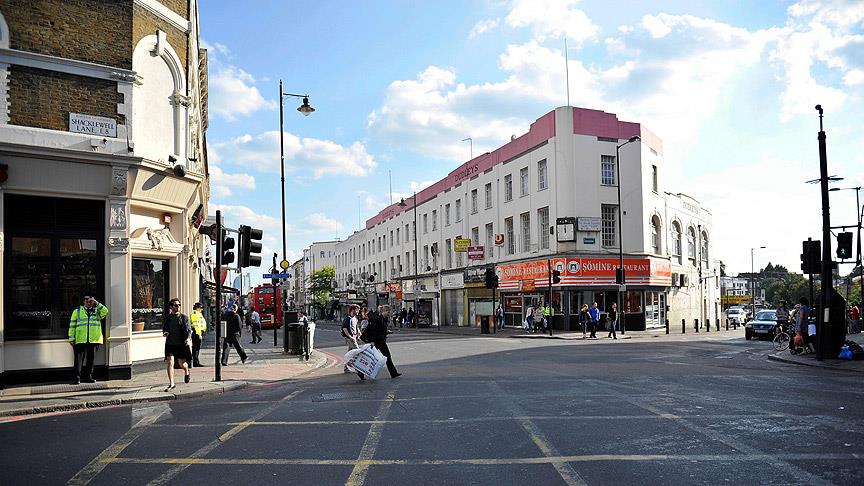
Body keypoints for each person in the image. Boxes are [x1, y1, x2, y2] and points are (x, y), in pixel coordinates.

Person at [69, 295, 109, 384]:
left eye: (90, 300)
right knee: (78, 360)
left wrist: (97, 303)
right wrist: (71, 338)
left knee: (91, 360)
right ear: (83, 302)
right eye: (86, 300)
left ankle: (88, 377)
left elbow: (105, 311)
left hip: (94, 340)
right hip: (80, 339)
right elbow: (72, 326)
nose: (88, 302)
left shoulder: (97, 311)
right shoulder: (77, 311)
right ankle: (77, 378)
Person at [363, 305, 402, 378]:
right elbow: (374, 331)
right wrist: (372, 341)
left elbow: (381, 330)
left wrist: (387, 332)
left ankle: (393, 373)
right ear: (384, 311)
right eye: (388, 311)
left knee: (386, 357)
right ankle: (360, 372)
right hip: (377, 341)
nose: (389, 313)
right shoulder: (378, 319)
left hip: (381, 341)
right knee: (370, 357)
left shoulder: (384, 319)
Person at [162, 298, 192, 390]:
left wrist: (188, 338)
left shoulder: (184, 317)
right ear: (171, 307)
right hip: (170, 343)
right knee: (170, 362)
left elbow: (188, 330)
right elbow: (165, 328)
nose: (178, 307)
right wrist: (165, 333)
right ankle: (172, 383)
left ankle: (186, 370)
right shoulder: (167, 318)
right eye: (176, 305)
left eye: (179, 305)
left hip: (181, 344)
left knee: (181, 363)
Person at [341, 305, 364, 379]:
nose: (358, 311)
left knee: (350, 354)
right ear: (352, 310)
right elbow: (344, 329)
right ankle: (359, 370)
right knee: (357, 352)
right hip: (350, 338)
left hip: (354, 337)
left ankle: (346, 368)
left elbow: (356, 326)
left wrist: (359, 333)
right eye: (357, 310)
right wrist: (350, 337)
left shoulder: (355, 318)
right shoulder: (348, 319)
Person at [190, 302, 207, 367]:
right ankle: (195, 362)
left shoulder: (198, 314)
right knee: (196, 348)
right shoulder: (195, 314)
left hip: (199, 332)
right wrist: (199, 334)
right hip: (197, 333)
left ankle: (196, 361)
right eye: (201, 308)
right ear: (197, 308)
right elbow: (196, 325)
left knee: (197, 348)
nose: (202, 309)